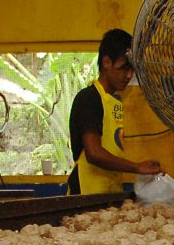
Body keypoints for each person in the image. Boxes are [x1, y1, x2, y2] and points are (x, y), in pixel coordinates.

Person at [67, 28, 161, 195]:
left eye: (132, 70)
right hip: (85, 194)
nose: (128, 75)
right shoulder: (89, 98)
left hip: (108, 193)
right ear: (106, 62)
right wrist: (137, 167)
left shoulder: (115, 100)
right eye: (124, 68)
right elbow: (94, 153)